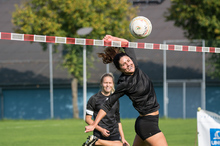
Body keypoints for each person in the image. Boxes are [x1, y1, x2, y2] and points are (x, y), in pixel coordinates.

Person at [85, 35, 168, 146]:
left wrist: (113, 38)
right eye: (124, 64)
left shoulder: (135, 65)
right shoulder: (124, 83)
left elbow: (126, 43)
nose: (128, 64)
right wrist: (94, 124)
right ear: (120, 69)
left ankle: (97, 142)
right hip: (147, 124)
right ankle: (98, 142)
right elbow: (107, 104)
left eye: (128, 61)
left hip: (146, 122)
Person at [82, 73, 130, 146]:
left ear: (113, 84)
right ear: (101, 83)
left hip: (114, 133)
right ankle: (96, 141)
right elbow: (87, 119)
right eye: (105, 83)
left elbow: (118, 121)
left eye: (110, 83)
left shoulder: (115, 99)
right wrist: (101, 130)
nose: (108, 85)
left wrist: (123, 138)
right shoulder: (94, 99)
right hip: (99, 134)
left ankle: (96, 142)